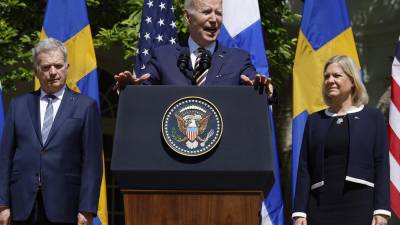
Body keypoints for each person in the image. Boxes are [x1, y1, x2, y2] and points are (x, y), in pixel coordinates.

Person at [0, 38, 103, 225]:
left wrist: (87, 209)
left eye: (58, 65)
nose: (53, 72)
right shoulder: (18, 105)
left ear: (67, 67)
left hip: (66, 207)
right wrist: (2, 205)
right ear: (36, 71)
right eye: (46, 67)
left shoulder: (85, 107)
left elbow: (92, 163)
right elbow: (5, 158)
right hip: (22, 207)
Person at [292, 55, 391, 225]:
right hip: (320, 205)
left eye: (336, 75)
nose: (330, 80)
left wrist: (381, 209)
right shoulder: (315, 120)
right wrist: (299, 211)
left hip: (360, 204)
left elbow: (381, 163)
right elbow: (304, 167)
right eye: (326, 76)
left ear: (352, 81)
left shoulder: (372, 117)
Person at [113, 0, 275, 101]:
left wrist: (265, 90)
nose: (214, 19)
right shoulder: (163, 57)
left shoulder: (238, 59)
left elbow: (257, 85)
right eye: (206, 12)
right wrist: (129, 88)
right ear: (188, 17)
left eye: (219, 13)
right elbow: (142, 91)